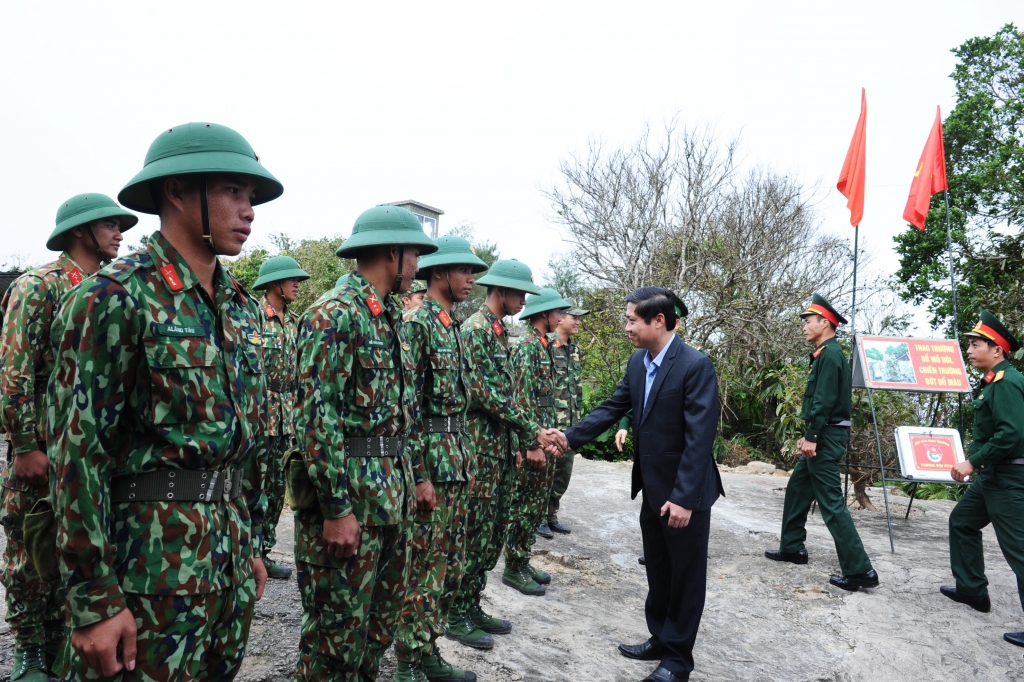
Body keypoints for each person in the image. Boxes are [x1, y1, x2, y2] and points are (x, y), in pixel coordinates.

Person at [48, 122, 279, 680]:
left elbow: (235, 446)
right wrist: (95, 600)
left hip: (226, 564)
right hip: (148, 572)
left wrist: (247, 543)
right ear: (176, 191)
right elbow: (77, 457)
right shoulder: (111, 297)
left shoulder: (239, 307)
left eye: (251, 197)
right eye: (232, 192)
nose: (248, 210)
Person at [291, 205, 437, 681]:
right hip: (351, 500)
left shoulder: (389, 317)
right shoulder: (334, 314)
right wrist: (336, 508)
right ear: (392, 252)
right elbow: (317, 418)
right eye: (414, 253)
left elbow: (402, 412)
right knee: (336, 638)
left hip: (390, 499)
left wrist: (416, 478)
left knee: (378, 629)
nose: (417, 265)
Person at [549, 286, 722, 682]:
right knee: (659, 569)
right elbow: (613, 407)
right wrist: (568, 437)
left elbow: (699, 439)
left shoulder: (695, 365)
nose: (626, 326)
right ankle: (660, 638)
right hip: (652, 488)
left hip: (684, 494)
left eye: (631, 319)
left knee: (686, 576)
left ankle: (678, 661)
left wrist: (683, 499)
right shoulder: (637, 362)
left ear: (658, 320)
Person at [1, 193, 136, 682]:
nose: (121, 232)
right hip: (43, 443)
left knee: (73, 544)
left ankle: (65, 643)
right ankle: (31, 649)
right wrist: (23, 444)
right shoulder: (39, 286)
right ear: (81, 231)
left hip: (83, 446)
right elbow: (14, 372)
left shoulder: (111, 289)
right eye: (110, 224)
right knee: (27, 549)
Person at [446, 259, 555, 650]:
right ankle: (454, 613)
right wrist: (532, 431)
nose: (524, 300)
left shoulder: (497, 331)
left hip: (499, 447)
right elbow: (486, 394)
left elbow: (505, 394)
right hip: (480, 448)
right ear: (500, 292)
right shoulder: (476, 330)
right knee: (474, 535)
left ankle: (471, 604)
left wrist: (525, 434)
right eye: (519, 293)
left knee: (491, 534)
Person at [394, 235, 487, 682]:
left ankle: (427, 645)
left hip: (455, 461)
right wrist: (419, 476)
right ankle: (408, 660)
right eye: (465, 271)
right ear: (439, 272)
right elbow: (406, 408)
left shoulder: (451, 324)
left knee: (446, 564)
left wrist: (466, 465)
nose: (472, 279)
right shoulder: (418, 323)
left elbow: (459, 407)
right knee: (422, 566)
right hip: (430, 464)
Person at [765, 294, 878, 592]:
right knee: (798, 489)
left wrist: (813, 436)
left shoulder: (829, 354)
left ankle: (860, 570)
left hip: (826, 436)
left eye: (808, 320)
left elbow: (825, 400)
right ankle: (792, 547)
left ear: (824, 323)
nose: (804, 326)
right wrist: (811, 434)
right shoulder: (824, 352)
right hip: (824, 433)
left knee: (831, 503)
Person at [943, 311, 1024, 650]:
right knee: (962, 521)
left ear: (998, 350)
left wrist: (971, 461)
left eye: (976, 344)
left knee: (1020, 551)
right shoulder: (993, 380)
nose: (970, 350)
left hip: (1008, 476)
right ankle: (972, 590)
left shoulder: (1007, 382)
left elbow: (1011, 433)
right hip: (992, 475)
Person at [503, 287, 572, 594]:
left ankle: (523, 557)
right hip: (532, 440)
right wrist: (530, 444)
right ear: (543, 314)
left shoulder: (544, 345)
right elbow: (519, 399)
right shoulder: (528, 347)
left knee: (535, 506)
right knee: (523, 505)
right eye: (557, 311)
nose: (561, 317)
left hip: (542, 436)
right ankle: (513, 565)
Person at [251, 255, 310, 580]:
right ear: (276, 284)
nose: (297, 285)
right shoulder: (256, 320)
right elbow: (250, 367)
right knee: (256, 486)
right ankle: (248, 551)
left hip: (289, 414)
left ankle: (264, 551)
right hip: (263, 414)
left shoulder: (296, 321)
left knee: (276, 489)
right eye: (292, 280)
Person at [539, 303, 588, 538]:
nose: (578, 322)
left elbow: (576, 389)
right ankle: (538, 518)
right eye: (574, 317)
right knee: (544, 473)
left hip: (570, 425)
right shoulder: (547, 346)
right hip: (550, 424)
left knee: (562, 474)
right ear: (559, 318)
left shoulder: (574, 349)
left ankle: (551, 515)